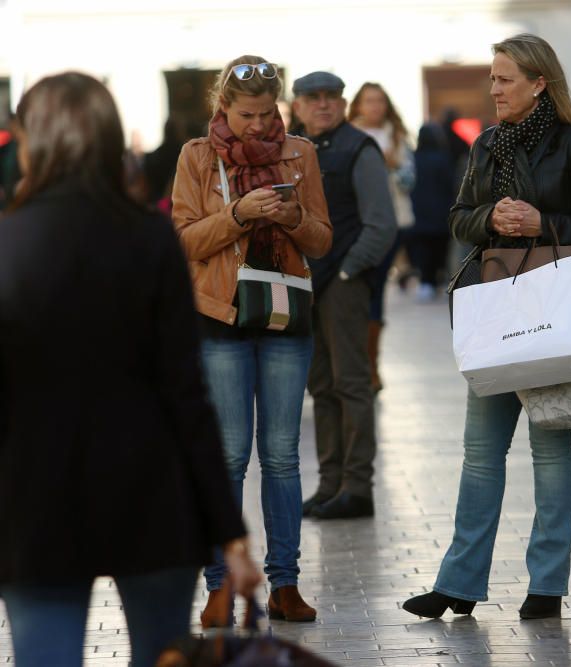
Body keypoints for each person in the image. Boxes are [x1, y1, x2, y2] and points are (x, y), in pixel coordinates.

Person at [0, 72, 261, 667]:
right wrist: (230, 531)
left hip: (33, 500)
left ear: (30, 141)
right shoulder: (148, 239)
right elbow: (185, 392)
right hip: (151, 493)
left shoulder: (7, 243)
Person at [401, 33, 571, 621]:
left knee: (551, 450)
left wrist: (542, 221)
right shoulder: (487, 146)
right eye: (493, 78)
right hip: (498, 308)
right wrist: (488, 217)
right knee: (480, 454)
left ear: (538, 83)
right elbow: (457, 220)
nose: (493, 88)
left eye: (504, 78)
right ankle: (458, 584)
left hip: (555, 313)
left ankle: (546, 586)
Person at [171, 55, 332, 626]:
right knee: (229, 456)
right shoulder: (196, 155)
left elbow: (321, 241)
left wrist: (291, 217)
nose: (260, 126)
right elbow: (184, 240)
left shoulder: (301, 153)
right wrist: (239, 214)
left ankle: (284, 585)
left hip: (287, 319)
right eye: (247, 115)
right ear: (223, 107)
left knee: (283, 457)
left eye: (268, 114)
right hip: (218, 318)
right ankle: (219, 585)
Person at [291, 71, 397, 521]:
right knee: (321, 385)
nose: (322, 105)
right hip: (304, 284)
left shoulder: (359, 147)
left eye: (330, 97)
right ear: (296, 105)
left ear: (343, 102)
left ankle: (358, 486)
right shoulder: (294, 149)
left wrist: (352, 271)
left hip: (343, 284)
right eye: (312, 98)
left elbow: (382, 223)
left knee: (352, 384)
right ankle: (331, 483)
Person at [348, 82, 412, 392]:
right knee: (357, 290)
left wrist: (393, 167)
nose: (374, 107)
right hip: (357, 224)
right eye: (368, 101)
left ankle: (371, 364)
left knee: (375, 288)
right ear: (358, 105)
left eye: (379, 101)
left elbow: (411, 180)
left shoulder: (397, 136)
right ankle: (358, 362)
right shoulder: (349, 135)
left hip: (393, 222)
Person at [409, 122, 455, 301]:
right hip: (441, 213)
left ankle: (425, 282)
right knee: (440, 248)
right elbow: (450, 186)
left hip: (418, 213)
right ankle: (438, 280)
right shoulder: (444, 158)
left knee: (423, 249)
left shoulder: (414, 158)